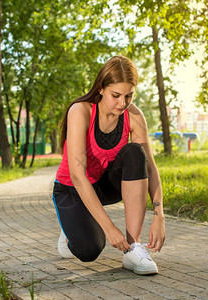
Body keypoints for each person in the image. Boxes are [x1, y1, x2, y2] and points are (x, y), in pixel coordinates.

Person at [52, 55, 165, 275]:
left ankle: (134, 249)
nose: (122, 103)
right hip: (71, 189)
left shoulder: (134, 116)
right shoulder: (81, 111)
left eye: (129, 96)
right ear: (101, 88)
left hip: (104, 186)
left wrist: (159, 215)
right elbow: (77, 175)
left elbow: (150, 168)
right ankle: (70, 231)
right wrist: (109, 228)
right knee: (90, 249)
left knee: (135, 152)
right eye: (116, 95)